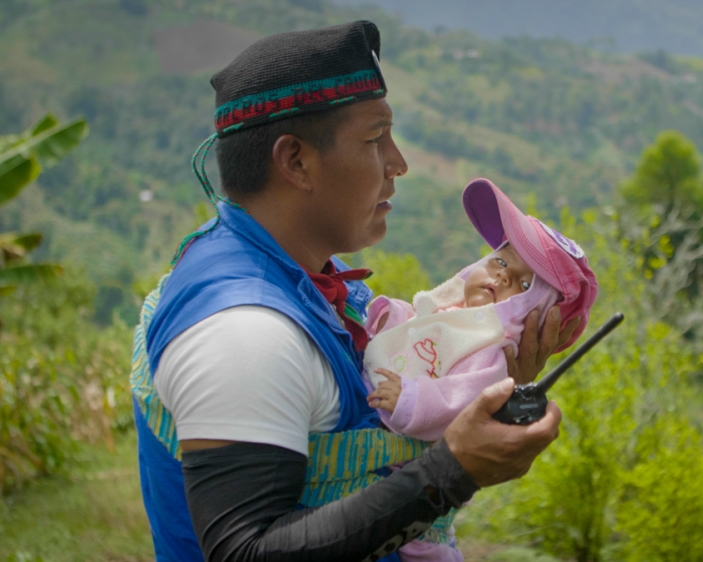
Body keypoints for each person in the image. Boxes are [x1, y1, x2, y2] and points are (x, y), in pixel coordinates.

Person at [129, 21, 579, 562]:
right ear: (295, 160)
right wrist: (453, 470)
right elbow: (245, 552)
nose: (399, 163)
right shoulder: (245, 335)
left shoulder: (312, 276)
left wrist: (476, 386)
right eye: (374, 138)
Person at [362, 178, 599, 561]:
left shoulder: (491, 353)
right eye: (500, 261)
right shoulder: (451, 312)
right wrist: (392, 316)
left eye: (524, 284)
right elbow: (418, 328)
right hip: (376, 471)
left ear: (531, 318)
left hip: (408, 477)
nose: (502, 276)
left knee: (422, 547)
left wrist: (410, 399)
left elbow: (460, 402)